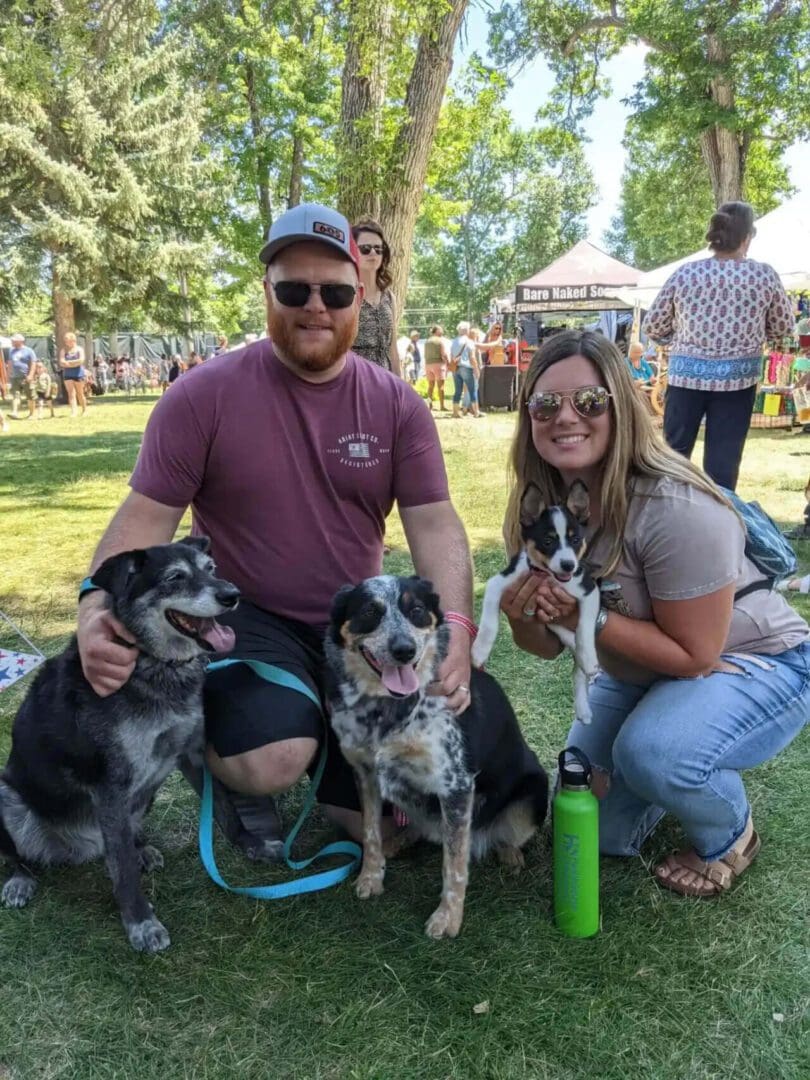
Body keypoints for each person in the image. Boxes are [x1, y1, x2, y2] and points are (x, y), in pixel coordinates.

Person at [76, 202, 474, 857]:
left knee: (410, 826)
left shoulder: (397, 405)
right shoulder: (201, 397)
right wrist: (95, 606)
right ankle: (241, 770)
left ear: (363, 295)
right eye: (294, 288)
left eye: (336, 291)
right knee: (272, 756)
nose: (315, 305)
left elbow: (434, 524)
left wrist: (456, 628)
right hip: (245, 615)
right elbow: (144, 518)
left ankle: (331, 745)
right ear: (266, 292)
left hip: (358, 621)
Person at [498, 329, 810, 897]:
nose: (565, 416)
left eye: (589, 402)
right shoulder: (541, 504)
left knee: (654, 753)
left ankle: (729, 833)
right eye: (545, 403)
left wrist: (585, 618)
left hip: (759, 660)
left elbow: (695, 656)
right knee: (593, 824)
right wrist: (525, 617)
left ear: (622, 406)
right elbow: (545, 646)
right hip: (646, 667)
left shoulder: (675, 507)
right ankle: (673, 747)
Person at [643, 201, 793, 491]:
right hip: (737, 384)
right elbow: (783, 328)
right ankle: (719, 528)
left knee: (672, 461)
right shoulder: (764, 275)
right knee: (723, 467)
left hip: (686, 378)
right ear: (747, 238)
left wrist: (679, 343)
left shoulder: (685, 273)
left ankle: (668, 524)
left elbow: (653, 325)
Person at [350, 218, 401, 375]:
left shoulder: (389, 297)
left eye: (378, 249)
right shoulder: (346, 294)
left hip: (386, 381)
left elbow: (393, 350)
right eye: (365, 249)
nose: (373, 253)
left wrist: (401, 388)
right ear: (352, 251)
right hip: (356, 379)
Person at [449, 321, 481, 419]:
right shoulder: (469, 342)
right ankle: (476, 412)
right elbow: (472, 357)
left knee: (457, 390)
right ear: (467, 330)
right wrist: (476, 369)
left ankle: (455, 412)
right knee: (472, 390)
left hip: (456, 368)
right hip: (466, 367)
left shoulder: (453, 341)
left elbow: (451, 356)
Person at [8, 332, 37, 419]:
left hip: (26, 377)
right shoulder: (11, 351)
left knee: (30, 396)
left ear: (20, 341)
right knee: (15, 395)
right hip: (15, 377)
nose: (12, 342)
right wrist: (9, 374)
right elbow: (10, 363)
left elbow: (33, 363)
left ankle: (32, 414)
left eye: (14, 340)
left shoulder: (29, 351)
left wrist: (31, 375)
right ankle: (15, 412)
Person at [58, 331, 88, 416]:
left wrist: (69, 363)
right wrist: (73, 363)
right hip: (68, 374)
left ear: (73, 340)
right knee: (71, 394)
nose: (67, 343)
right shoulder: (64, 350)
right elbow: (61, 362)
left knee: (80, 393)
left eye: (68, 341)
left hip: (78, 373)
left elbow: (81, 360)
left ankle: (84, 410)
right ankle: (73, 411)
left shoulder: (79, 349)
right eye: (66, 341)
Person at [423, 324, 449, 411]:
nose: (442, 332)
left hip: (428, 364)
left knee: (430, 386)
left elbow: (425, 355)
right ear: (436, 331)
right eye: (441, 330)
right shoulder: (439, 341)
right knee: (440, 386)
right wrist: (448, 362)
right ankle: (442, 406)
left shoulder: (427, 341)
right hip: (438, 364)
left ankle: (430, 405)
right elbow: (443, 354)